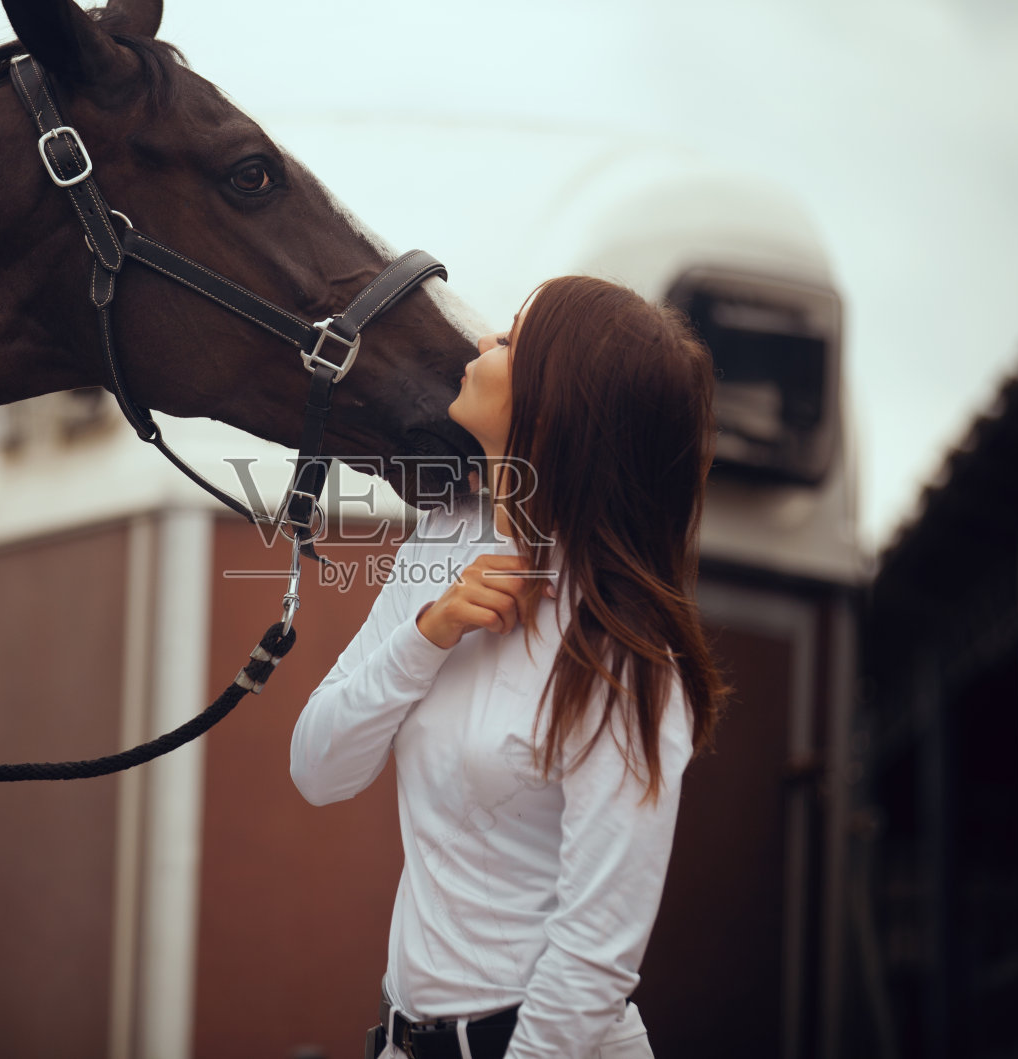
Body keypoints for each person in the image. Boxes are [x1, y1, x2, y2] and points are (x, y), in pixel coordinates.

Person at [290, 275, 728, 1059]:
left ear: (560, 403)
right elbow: (317, 767)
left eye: (512, 339)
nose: (483, 342)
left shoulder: (625, 652)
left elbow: (595, 959)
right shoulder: (440, 542)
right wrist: (428, 633)